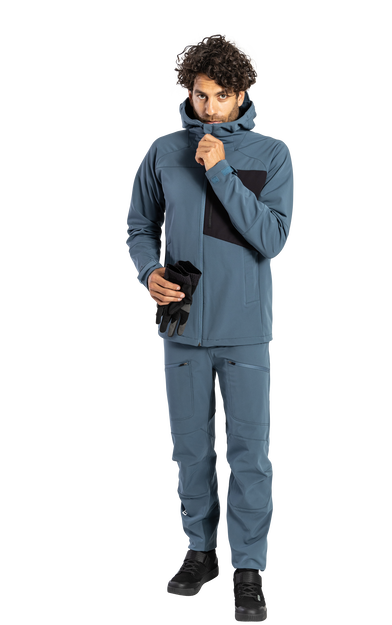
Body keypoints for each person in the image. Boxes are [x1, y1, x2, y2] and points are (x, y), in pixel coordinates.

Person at [123, 31, 295, 625]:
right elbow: (138, 227)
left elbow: (274, 239)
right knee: (190, 449)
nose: (211, 108)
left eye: (223, 96)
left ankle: (249, 568)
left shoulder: (273, 152)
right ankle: (200, 552)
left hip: (245, 329)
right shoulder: (161, 149)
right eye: (200, 95)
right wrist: (149, 273)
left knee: (249, 453)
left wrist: (221, 170)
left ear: (244, 93)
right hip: (181, 326)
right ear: (187, 91)